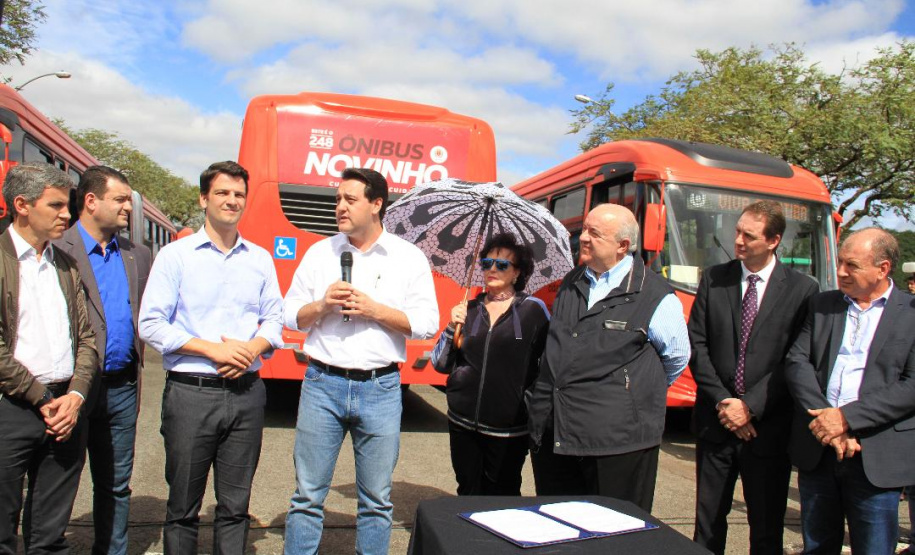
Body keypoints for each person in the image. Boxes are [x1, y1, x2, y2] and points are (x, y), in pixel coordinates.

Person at [283, 167, 438, 555]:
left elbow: (426, 324)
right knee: (307, 496)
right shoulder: (320, 253)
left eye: (350, 200)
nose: (340, 207)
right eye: (338, 199)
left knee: (376, 501)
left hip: (380, 388)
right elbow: (289, 316)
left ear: (376, 204)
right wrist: (322, 304)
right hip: (322, 384)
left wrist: (374, 310)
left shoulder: (408, 257)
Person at [138, 161, 283, 555]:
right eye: (222, 193)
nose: (231, 201)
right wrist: (211, 348)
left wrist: (252, 348)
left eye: (238, 194)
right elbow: (150, 324)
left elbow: (275, 319)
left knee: (236, 507)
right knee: (182, 508)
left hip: (246, 394)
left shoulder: (260, 259)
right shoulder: (175, 256)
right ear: (204, 198)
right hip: (191, 394)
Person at [525, 203, 690, 512]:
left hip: (616, 444)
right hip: (555, 433)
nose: (583, 237)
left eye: (595, 233)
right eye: (584, 229)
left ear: (622, 246)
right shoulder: (572, 282)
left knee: (615, 528)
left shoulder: (654, 294)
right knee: (558, 524)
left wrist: (629, 392)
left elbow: (676, 357)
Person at [688, 200, 818, 555]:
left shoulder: (802, 290)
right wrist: (725, 403)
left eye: (749, 235)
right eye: (738, 231)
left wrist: (750, 407)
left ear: (773, 241)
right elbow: (697, 345)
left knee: (766, 527)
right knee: (707, 524)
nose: (739, 240)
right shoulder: (714, 278)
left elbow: (795, 359)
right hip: (716, 423)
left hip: (768, 428)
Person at [785, 227, 915, 554]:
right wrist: (827, 421)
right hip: (819, 448)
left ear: (883, 269)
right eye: (840, 262)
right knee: (818, 545)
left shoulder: (910, 313)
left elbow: (911, 386)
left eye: (852, 265)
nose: (841, 271)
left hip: (875, 455)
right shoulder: (822, 305)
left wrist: (846, 419)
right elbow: (797, 362)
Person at [0, 162, 98, 554]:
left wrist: (75, 395)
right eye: (56, 205)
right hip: (12, 409)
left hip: (65, 411)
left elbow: (87, 339)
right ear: (22, 205)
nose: (66, 215)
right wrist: (40, 397)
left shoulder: (66, 264)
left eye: (67, 205)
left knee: (50, 536)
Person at [53, 166, 151, 555]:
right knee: (60, 481)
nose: (128, 207)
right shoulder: (58, 249)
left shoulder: (137, 255)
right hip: (71, 389)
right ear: (91, 201)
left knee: (115, 483)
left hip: (123, 387)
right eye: (121, 199)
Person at [430, 232, 550, 496]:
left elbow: (548, 364)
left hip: (509, 427)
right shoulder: (469, 308)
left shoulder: (534, 310)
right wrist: (451, 327)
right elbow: (440, 364)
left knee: (503, 493)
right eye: (486, 263)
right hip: (462, 421)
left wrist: (531, 406)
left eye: (502, 264)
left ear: (517, 273)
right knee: (467, 489)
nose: (492, 269)